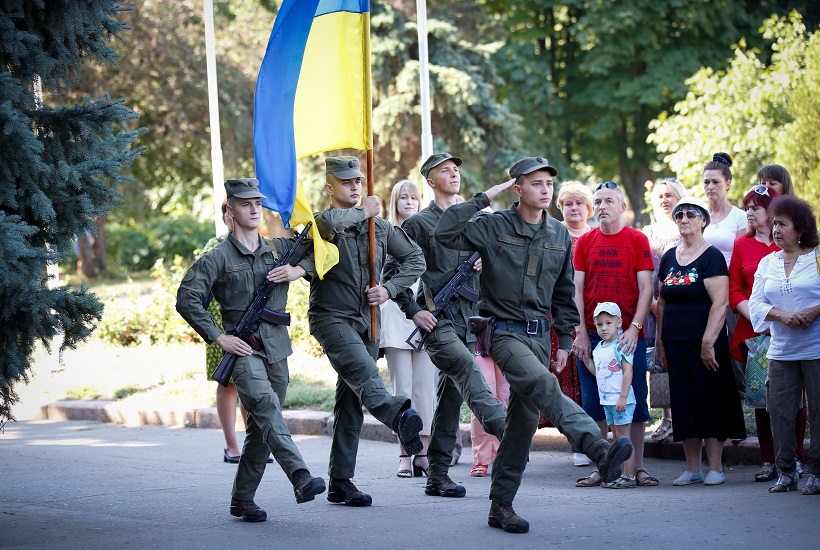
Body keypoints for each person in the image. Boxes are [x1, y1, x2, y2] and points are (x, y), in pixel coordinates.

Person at [435, 156, 633, 534]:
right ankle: (598, 448)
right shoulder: (492, 226)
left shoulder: (558, 234)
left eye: (548, 184)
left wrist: (562, 338)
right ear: (518, 188)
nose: (545, 190)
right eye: (536, 183)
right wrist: (482, 197)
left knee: (522, 425)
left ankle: (500, 506)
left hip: (540, 337)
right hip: (504, 334)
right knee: (545, 386)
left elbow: (562, 291)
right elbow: (445, 232)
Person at [176, 178, 326, 522]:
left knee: (261, 428)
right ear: (230, 210)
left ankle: (242, 500)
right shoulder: (217, 257)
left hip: (277, 351)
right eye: (245, 204)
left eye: (257, 202)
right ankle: (300, 475)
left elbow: (324, 249)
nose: (254, 208)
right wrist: (218, 337)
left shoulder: (278, 249)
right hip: (243, 352)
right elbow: (187, 298)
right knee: (266, 407)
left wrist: (298, 269)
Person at [309, 156, 427, 507]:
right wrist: (365, 211)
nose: (356, 186)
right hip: (331, 318)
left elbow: (415, 259)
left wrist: (389, 289)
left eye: (359, 181)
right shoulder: (323, 223)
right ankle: (398, 415)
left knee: (350, 403)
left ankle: (340, 482)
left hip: (366, 321)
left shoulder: (381, 228)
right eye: (347, 182)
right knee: (365, 373)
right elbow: (327, 224)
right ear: (330, 188)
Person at [389, 153, 507, 498]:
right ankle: (508, 430)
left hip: (469, 322)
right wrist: (412, 310)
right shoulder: (418, 224)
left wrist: (487, 264)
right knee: (469, 374)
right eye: (445, 170)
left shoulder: (475, 222)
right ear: (430, 181)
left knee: (450, 400)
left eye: (456, 169)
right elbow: (392, 274)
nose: (454, 173)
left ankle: (437, 474)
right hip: (438, 323)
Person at [656, 196, 747, 487]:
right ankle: (693, 468)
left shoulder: (712, 257)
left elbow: (720, 304)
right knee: (684, 401)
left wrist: (708, 343)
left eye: (691, 214)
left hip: (706, 343)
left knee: (710, 399)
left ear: (703, 220)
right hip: (675, 342)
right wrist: (660, 343)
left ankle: (716, 468)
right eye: (679, 214)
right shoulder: (670, 257)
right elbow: (662, 303)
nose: (684, 218)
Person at [572, 181, 657, 488]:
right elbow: (577, 290)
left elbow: (647, 288)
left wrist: (635, 328)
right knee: (594, 403)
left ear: (622, 207)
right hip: (593, 336)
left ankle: (636, 469)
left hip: (627, 335)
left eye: (609, 201)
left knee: (633, 402)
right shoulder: (585, 241)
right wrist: (581, 331)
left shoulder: (637, 239)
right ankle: (602, 467)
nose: (602, 206)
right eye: (598, 201)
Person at [729, 185, 808, 483]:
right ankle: (768, 459)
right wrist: (757, 315)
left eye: (755, 207)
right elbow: (735, 288)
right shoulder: (741, 245)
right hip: (755, 332)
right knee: (762, 399)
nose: (748, 212)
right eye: (747, 207)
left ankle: (797, 458)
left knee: (795, 400)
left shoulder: (789, 244)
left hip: (793, 330)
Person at [749, 195, 820, 495]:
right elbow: (755, 303)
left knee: (818, 412)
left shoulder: (817, 257)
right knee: (779, 413)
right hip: (780, 351)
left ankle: (816, 471)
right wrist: (782, 315)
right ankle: (787, 471)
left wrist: (814, 310)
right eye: (774, 223)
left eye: (783, 224)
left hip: (816, 349)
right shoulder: (768, 262)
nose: (775, 229)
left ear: (800, 229)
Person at [379, 180, 437, 478]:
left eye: (414, 197)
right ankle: (405, 451)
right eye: (403, 197)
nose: (409, 202)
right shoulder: (385, 233)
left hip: (427, 315)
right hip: (395, 317)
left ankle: (423, 453)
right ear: (395, 201)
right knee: (402, 389)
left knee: (425, 388)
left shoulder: (429, 231)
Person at [539, 181, 593, 467]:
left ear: (589, 208)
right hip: (553, 315)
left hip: (587, 317)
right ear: (560, 207)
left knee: (588, 377)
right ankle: (575, 439)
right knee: (560, 377)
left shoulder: (595, 237)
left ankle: (590, 437)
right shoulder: (552, 234)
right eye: (568, 203)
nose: (574, 208)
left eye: (579, 203)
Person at [199, 200, 250, 463]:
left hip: (251, 324)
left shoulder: (256, 243)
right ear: (226, 217)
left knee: (252, 383)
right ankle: (232, 446)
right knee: (228, 383)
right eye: (229, 212)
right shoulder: (215, 245)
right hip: (221, 326)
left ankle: (255, 445)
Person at [642, 178, 688, 442]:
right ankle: (666, 418)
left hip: (680, 307)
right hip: (651, 307)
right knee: (658, 364)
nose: (664, 200)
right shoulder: (646, 234)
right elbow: (642, 272)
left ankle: (684, 416)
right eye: (660, 196)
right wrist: (651, 302)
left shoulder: (687, 231)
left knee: (680, 359)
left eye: (670, 195)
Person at [702, 152, 749, 401]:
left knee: (733, 345)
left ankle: (740, 394)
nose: (710, 187)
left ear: (728, 183)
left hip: (731, 290)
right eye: (706, 182)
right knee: (709, 342)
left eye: (716, 182)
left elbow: (743, 256)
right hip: (703, 291)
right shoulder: (699, 215)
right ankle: (716, 395)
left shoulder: (739, 217)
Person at [588, 302, 638, 489]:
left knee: (624, 439)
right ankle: (618, 474)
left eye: (608, 323)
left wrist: (623, 397)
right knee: (617, 440)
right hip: (607, 400)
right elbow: (598, 372)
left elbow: (628, 371)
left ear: (619, 323)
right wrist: (586, 362)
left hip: (621, 400)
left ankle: (629, 476)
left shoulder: (621, 345)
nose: (604, 328)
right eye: (599, 324)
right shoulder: (598, 348)